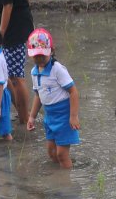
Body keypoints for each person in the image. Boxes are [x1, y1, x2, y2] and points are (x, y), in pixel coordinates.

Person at [25, 28, 79, 169]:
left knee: (62, 154)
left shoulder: (58, 69)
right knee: (51, 152)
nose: (39, 59)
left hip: (63, 116)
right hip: (49, 116)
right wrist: (31, 117)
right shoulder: (34, 72)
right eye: (36, 56)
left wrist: (73, 116)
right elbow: (38, 95)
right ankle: (58, 176)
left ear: (51, 50)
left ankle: (66, 182)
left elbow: (73, 92)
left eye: (42, 55)